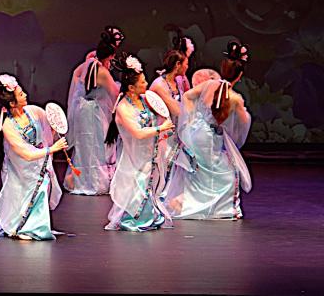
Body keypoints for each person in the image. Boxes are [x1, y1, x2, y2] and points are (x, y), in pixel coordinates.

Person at [163, 41, 252, 220]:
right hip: (209, 138)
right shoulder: (235, 99)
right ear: (239, 75)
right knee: (225, 173)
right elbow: (243, 125)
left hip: (197, 132)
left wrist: (191, 119)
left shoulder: (209, 85)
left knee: (202, 171)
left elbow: (187, 97)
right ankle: (203, 207)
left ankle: (184, 202)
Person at [0, 73, 67, 240]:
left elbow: (49, 130)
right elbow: (26, 154)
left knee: (42, 189)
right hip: (21, 165)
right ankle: (22, 226)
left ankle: (37, 227)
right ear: (12, 103)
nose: (25, 95)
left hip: (39, 162)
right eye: (21, 94)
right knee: (20, 194)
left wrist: (54, 130)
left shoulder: (34, 111)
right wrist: (51, 149)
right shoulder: (8, 126)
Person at [104, 54, 174, 231]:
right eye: (142, 82)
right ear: (131, 88)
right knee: (137, 184)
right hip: (134, 154)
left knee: (149, 184)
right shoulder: (123, 108)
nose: (146, 84)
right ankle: (133, 219)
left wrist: (162, 132)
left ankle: (149, 216)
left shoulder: (144, 100)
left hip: (148, 152)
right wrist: (160, 128)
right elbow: (137, 133)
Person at [63, 26, 124, 195]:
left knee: (85, 146)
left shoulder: (88, 64)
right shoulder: (102, 71)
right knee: (96, 146)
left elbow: (76, 75)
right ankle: (95, 182)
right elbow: (115, 93)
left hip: (83, 110)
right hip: (94, 113)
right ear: (110, 55)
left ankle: (81, 179)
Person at [148, 35, 193, 194]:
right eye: (186, 64)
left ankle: (169, 193)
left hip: (174, 128)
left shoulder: (177, 81)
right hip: (162, 130)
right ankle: (159, 193)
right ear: (178, 65)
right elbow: (177, 110)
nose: (187, 67)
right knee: (163, 162)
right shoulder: (159, 84)